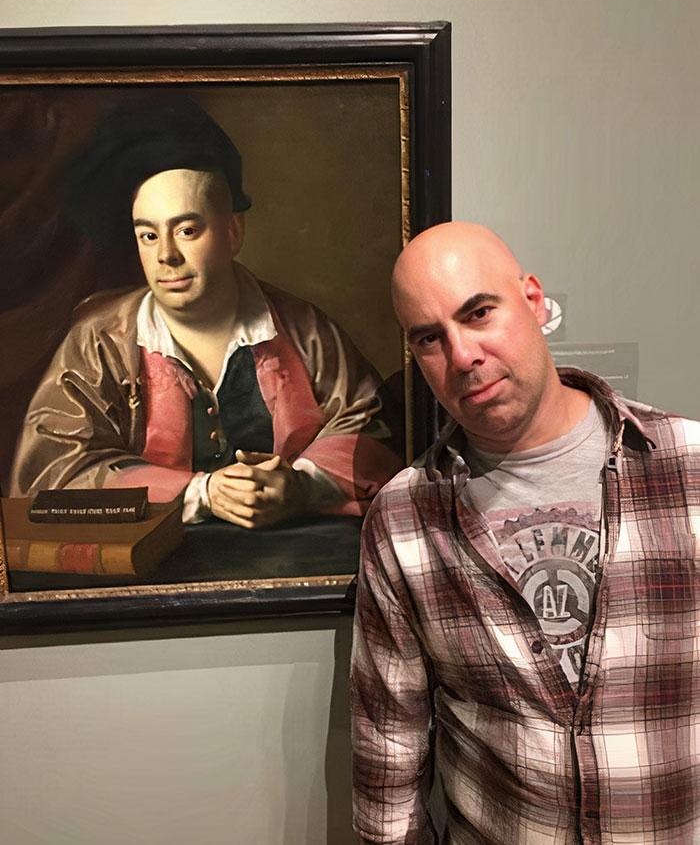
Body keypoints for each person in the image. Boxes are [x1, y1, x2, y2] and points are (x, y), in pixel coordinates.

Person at [351, 221, 700, 843]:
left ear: (534, 301)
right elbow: (389, 755)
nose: (463, 356)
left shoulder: (689, 466)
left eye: (479, 313)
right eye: (430, 338)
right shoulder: (405, 517)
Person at [10, 99, 402, 527]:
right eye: (148, 235)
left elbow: (372, 428)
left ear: (232, 232)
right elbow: (54, 469)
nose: (166, 255)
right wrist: (202, 493)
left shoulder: (304, 330)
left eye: (187, 230)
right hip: (152, 560)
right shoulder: (98, 340)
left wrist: (301, 485)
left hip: (296, 552)